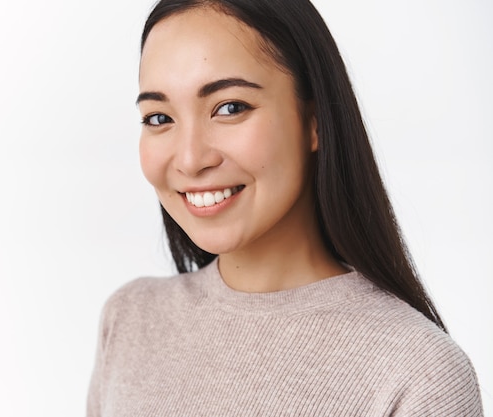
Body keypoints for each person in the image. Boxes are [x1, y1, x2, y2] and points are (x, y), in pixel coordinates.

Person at [87, 0, 483, 415]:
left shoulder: (417, 372)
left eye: (230, 108)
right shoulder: (129, 321)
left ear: (314, 121)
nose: (189, 158)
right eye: (158, 117)